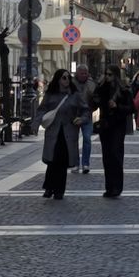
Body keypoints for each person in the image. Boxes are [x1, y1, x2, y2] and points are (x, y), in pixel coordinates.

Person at [33, 69, 88, 199]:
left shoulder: (75, 95)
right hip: (54, 132)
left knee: (62, 162)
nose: (67, 80)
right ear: (58, 79)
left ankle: (59, 190)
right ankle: (49, 187)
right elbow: (41, 110)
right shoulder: (50, 94)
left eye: (68, 77)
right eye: (64, 78)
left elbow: (86, 110)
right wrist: (35, 124)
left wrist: (82, 119)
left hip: (68, 134)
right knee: (52, 161)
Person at [90, 63, 134, 198]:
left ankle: (117, 187)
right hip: (105, 126)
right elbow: (94, 103)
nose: (107, 77)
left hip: (118, 126)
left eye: (109, 74)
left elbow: (131, 108)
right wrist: (97, 87)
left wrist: (117, 106)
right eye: (106, 74)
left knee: (116, 155)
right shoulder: (102, 88)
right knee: (107, 157)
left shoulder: (124, 90)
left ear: (115, 75)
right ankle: (109, 187)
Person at [73, 64, 95, 173]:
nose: (84, 75)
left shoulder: (91, 84)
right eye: (82, 73)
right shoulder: (71, 83)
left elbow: (95, 99)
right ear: (77, 73)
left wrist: (92, 108)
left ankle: (86, 163)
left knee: (87, 139)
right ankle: (75, 163)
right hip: (74, 115)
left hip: (87, 115)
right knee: (73, 140)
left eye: (85, 73)